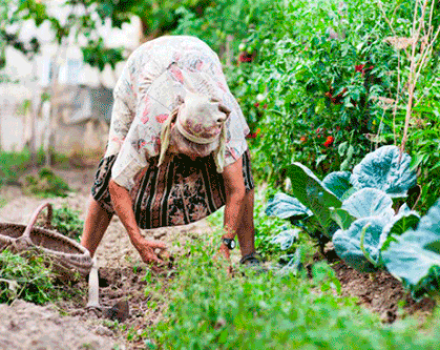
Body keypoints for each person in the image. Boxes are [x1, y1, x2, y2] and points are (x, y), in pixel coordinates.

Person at [80, 35, 258, 269]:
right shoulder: (151, 119)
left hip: (198, 58)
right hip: (142, 70)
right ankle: (82, 257)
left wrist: (226, 244)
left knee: (242, 173)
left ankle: (249, 257)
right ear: (172, 129)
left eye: (202, 153)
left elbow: (237, 189)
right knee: (109, 170)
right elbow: (117, 184)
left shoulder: (225, 120)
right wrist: (138, 240)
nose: (194, 159)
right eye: (189, 151)